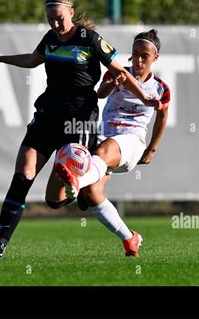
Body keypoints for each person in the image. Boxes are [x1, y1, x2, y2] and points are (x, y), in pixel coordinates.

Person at [0, 0, 162, 259]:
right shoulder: (50, 39)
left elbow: (120, 71)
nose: (55, 25)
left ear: (71, 13)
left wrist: (144, 97)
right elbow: (31, 60)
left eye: (59, 18)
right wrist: (0, 58)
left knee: (54, 200)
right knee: (22, 176)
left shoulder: (90, 39)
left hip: (79, 121)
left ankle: (82, 192)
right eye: (50, 19)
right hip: (47, 116)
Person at [55, 29, 170, 257]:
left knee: (101, 154)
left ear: (155, 58)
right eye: (135, 54)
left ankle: (76, 181)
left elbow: (162, 116)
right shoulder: (118, 72)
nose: (138, 60)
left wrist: (151, 149)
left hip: (131, 142)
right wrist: (112, 84)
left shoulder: (160, 88)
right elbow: (100, 93)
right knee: (92, 194)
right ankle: (130, 238)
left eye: (144, 56)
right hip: (105, 137)